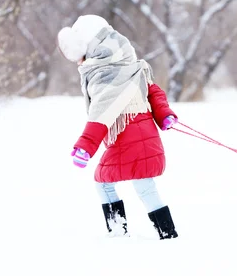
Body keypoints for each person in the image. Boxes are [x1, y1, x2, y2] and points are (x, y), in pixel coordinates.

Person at [57, 14, 179, 240]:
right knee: (145, 187)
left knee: (103, 182)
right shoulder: (134, 67)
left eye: (82, 55)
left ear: (92, 48)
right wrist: (165, 116)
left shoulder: (106, 76)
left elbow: (101, 114)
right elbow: (154, 93)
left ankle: (117, 229)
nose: (79, 61)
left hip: (125, 140)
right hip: (147, 139)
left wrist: (85, 147)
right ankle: (168, 233)